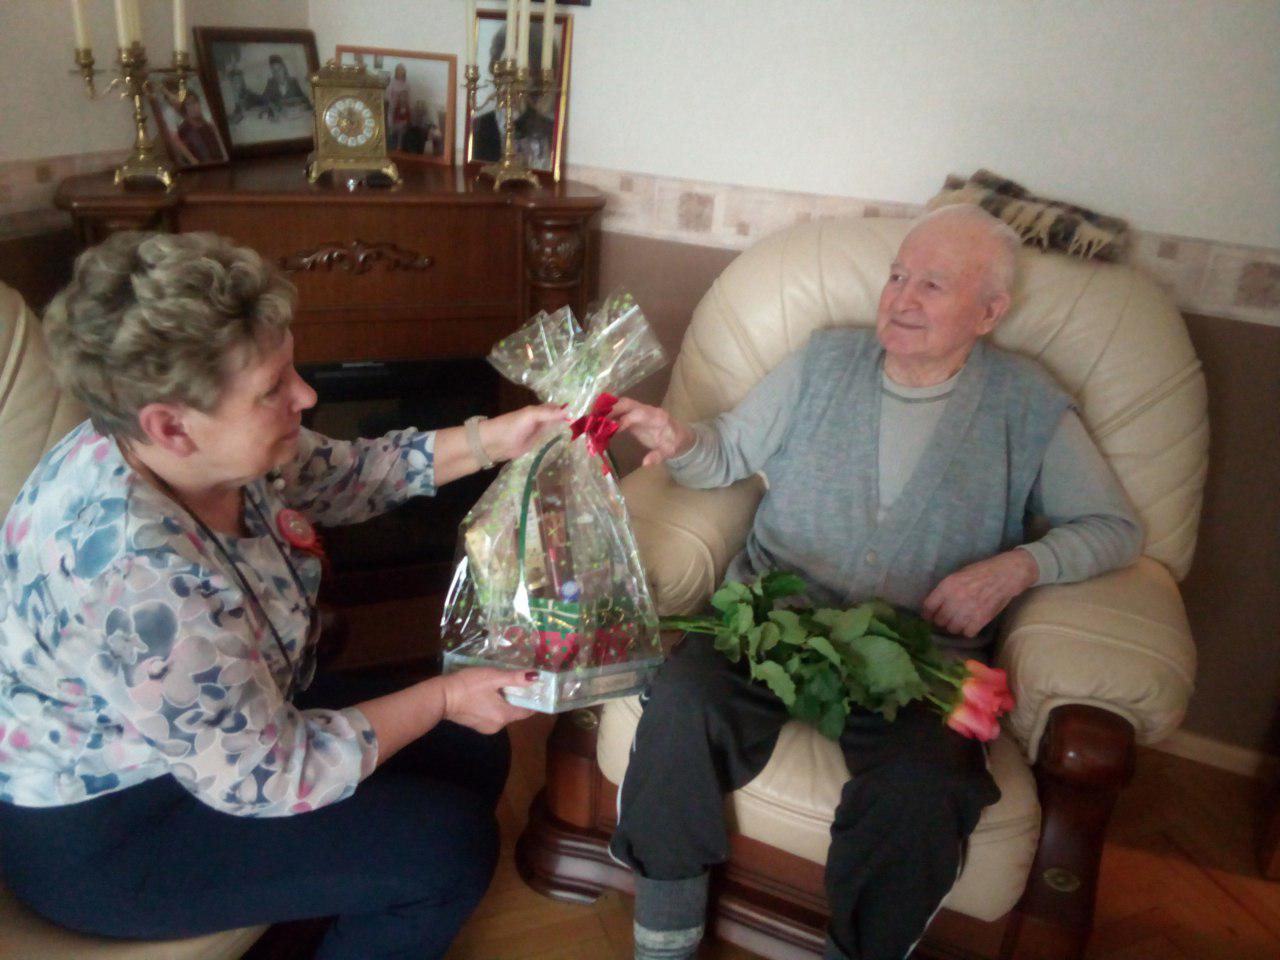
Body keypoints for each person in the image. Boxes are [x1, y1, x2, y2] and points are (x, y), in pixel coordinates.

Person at [0, 231, 566, 959]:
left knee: (472, 752)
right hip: (113, 823)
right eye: (274, 389)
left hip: (230, 728)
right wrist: (444, 696)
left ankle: (324, 920)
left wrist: (500, 438)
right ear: (169, 426)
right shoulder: (132, 578)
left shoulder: (209, 452)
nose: (307, 395)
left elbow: (350, 474)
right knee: (449, 849)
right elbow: (271, 776)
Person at [608, 204, 1143, 960]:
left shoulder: (1027, 405)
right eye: (897, 276)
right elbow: (725, 453)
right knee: (682, 703)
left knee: (924, 789)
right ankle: (665, 937)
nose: (901, 299)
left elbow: (1114, 527)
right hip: (772, 623)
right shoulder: (824, 361)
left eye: (932, 284)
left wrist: (1019, 566)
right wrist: (680, 439)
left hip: (919, 659)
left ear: (990, 312)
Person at [472, 24, 556, 168]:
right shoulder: (480, 126)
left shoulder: (549, 129)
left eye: (518, 70)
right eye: (503, 66)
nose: (509, 80)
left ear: (535, 74)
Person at [172, 90, 226, 165]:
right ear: (184, 109)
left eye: (194, 102)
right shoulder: (184, 131)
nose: (193, 107)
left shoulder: (208, 125)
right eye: (188, 104)